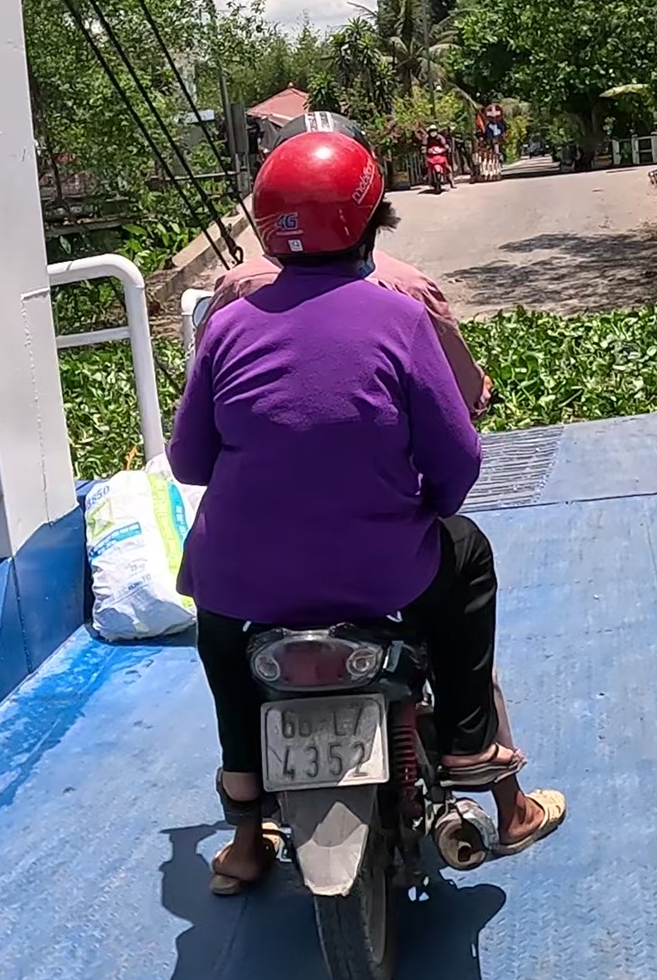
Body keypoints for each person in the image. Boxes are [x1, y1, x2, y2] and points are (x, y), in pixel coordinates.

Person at [171, 131, 566, 896]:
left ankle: (246, 830)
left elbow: (189, 463)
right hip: (381, 573)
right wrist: (425, 512)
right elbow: (458, 462)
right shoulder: (400, 316)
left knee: (220, 640)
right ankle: (468, 746)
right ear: (367, 223)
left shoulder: (227, 324)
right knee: (467, 553)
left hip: (244, 577)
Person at [205, 120, 492, 419]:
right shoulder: (408, 291)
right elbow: (462, 401)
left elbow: (197, 418)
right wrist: (478, 395)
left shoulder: (236, 291)